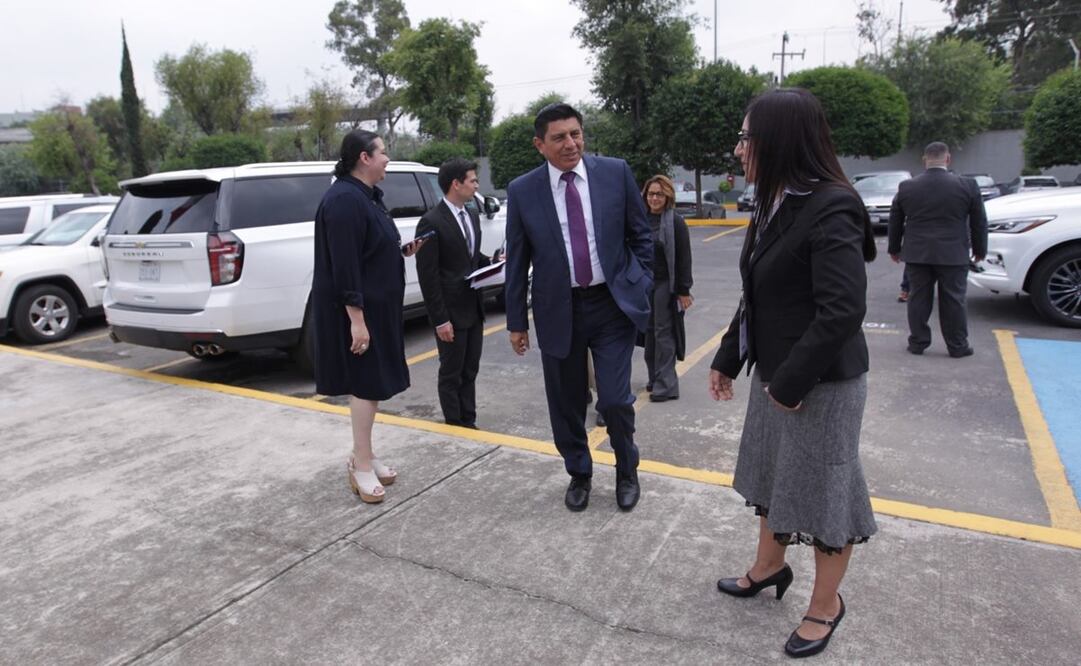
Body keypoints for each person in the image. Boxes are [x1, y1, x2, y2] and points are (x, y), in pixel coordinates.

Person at [709, 89, 878, 659]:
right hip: (778, 378)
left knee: (826, 495)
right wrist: (729, 357)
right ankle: (768, 568)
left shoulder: (832, 204)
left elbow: (841, 311)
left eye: (745, 138)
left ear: (778, 140)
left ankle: (826, 606)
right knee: (773, 478)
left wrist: (789, 384)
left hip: (820, 386)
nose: (738, 150)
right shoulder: (774, 199)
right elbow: (758, 292)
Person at [504, 102, 653, 512]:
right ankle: (580, 473)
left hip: (610, 306)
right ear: (540, 144)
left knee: (615, 398)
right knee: (567, 403)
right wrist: (516, 321)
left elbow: (641, 234)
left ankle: (627, 468)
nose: (571, 143)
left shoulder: (615, 173)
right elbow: (516, 260)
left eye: (576, 134)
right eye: (559, 137)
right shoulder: (523, 191)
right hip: (558, 309)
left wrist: (640, 280)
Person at [311, 129, 427, 504]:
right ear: (364, 157)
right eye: (383, 152)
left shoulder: (366, 197)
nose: (387, 158)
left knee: (373, 383)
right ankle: (359, 464)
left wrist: (400, 251)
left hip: (377, 307)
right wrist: (356, 320)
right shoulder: (344, 199)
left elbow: (367, 250)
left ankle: (366, 452)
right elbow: (344, 266)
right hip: (359, 312)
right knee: (364, 383)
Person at [888, 142, 988, 357]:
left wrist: (894, 248)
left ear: (925, 160)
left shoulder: (907, 187)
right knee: (954, 300)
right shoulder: (968, 185)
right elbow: (979, 221)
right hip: (953, 253)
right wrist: (980, 249)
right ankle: (957, 346)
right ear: (948, 159)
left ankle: (918, 342)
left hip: (918, 253)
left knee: (918, 298)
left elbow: (895, 220)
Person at [415, 158, 494, 429]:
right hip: (450, 312)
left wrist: (495, 260)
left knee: (470, 370)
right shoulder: (431, 222)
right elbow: (428, 275)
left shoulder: (471, 213)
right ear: (455, 184)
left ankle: (469, 421)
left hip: (474, 307)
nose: (476, 185)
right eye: (472, 180)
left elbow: (470, 258)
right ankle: (455, 424)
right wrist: (440, 320)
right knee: (452, 373)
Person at [641, 175, 693, 402]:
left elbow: (683, 258)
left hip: (665, 284)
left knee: (664, 333)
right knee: (649, 334)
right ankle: (654, 378)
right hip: (644, 284)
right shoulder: (639, 220)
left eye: (659, 194)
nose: (654, 198)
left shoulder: (675, 222)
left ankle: (667, 385)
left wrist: (683, 290)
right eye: (651, 193)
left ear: (668, 196)